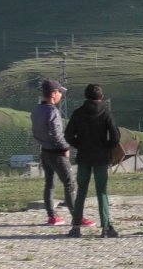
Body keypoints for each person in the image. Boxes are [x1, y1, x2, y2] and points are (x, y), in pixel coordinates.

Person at [31, 79, 95, 228]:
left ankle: (52, 216)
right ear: (53, 94)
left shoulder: (36, 110)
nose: (61, 94)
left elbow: (35, 132)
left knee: (50, 184)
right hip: (56, 152)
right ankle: (77, 217)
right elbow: (56, 133)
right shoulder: (52, 111)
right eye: (59, 91)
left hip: (44, 151)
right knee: (69, 184)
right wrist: (65, 147)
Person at [64, 84, 121, 238]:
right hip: (101, 157)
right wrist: (107, 147)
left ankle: (76, 227)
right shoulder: (105, 113)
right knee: (101, 191)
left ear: (86, 97)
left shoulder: (78, 113)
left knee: (81, 191)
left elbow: (68, 135)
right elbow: (115, 136)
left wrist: (79, 144)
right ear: (101, 97)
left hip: (84, 157)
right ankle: (105, 228)